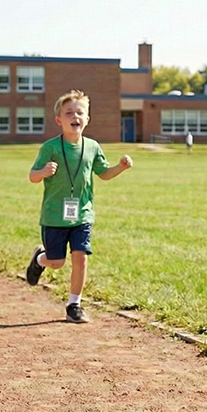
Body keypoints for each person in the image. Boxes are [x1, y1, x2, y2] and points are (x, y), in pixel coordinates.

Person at [24, 90, 133, 323]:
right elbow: (32, 176)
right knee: (57, 262)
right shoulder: (50, 148)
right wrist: (43, 172)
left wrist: (120, 167)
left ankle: (74, 304)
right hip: (54, 216)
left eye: (80, 112)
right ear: (59, 120)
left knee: (80, 257)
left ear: (87, 119)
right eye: (69, 112)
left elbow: (103, 173)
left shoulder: (92, 147)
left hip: (82, 214)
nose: (75, 116)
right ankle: (40, 259)